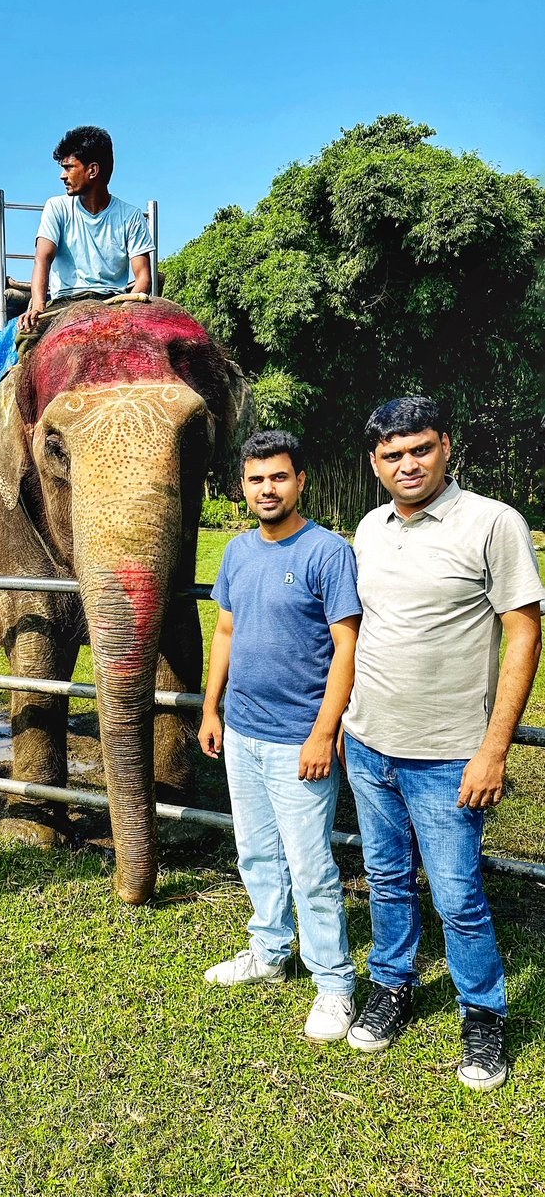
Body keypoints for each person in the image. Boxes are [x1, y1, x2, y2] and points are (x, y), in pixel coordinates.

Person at [342, 395, 544, 1091]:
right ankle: (391, 986)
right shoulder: (367, 529)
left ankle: (482, 1013)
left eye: (419, 449)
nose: (407, 464)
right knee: (387, 879)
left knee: (457, 895)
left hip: (450, 753)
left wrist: (494, 750)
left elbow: (522, 633)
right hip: (369, 744)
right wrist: (346, 724)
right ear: (373, 462)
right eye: (391, 455)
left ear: (445, 447)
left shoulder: (491, 523)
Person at [198, 430, 362, 1041]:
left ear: (300, 481)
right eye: (256, 479)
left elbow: (347, 647)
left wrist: (324, 732)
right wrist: (212, 708)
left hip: (299, 739)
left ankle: (335, 983)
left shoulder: (327, 552)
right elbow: (225, 633)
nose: (268, 489)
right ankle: (270, 952)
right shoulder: (238, 552)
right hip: (241, 731)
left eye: (279, 477)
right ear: (243, 486)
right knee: (256, 852)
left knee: (312, 864)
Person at [19, 125, 154, 333]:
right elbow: (42, 259)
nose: (62, 176)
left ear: (92, 170)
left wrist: (123, 314)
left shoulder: (131, 217)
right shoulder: (56, 207)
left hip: (114, 302)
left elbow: (144, 277)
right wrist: (38, 306)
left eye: (69, 167)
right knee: (28, 337)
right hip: (65, 303)